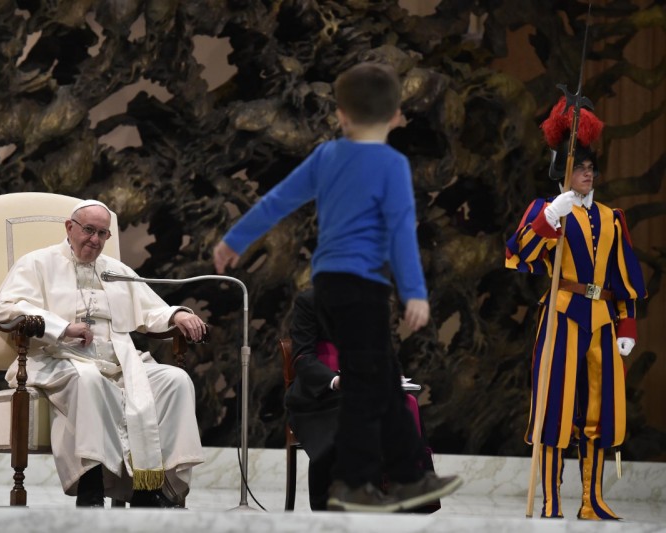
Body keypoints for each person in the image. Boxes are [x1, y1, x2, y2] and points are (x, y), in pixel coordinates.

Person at [213, 62, 462, 513]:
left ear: (342, 114)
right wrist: (415, 292)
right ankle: (384, 479)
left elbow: (278, 200)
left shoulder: (327, 156)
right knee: (377, 380)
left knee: (378, 380)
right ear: (395, 116)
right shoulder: (392, 165)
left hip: (330, 282)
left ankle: (387, 479)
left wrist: (234, 240)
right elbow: (401, 232)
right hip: (363, 285)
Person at [0, 199, 206, 508]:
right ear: (70, 227)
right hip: (59, 357)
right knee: (90, 380)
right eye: (89, 230)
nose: (95, 239)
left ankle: (151, 488)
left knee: (175, 381)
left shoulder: (115, 271)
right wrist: (63, 328)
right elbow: (6, 308)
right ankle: (90, 487)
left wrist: (177, 315)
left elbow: (151, 308)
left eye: (102, 233)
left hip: (119, 361)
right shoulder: (37, 263)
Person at [505, 98, 646, 520]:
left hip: (601, 318)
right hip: (563, 314)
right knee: (555, 408)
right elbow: (519, 255)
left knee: (599, 411)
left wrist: (627, 325)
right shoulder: (547, 211)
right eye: (580, 167)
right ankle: (552, 500)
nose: (588, 173)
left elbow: (624, 276)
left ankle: (592, 501)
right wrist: (550, 217)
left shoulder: (611, 217)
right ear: (563, 171)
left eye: (591, 168)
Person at [285, 288, 439, 512]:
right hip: (320, 393)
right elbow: (302, 357)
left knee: (405, 403)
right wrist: (336, 381)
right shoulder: (309, 300)